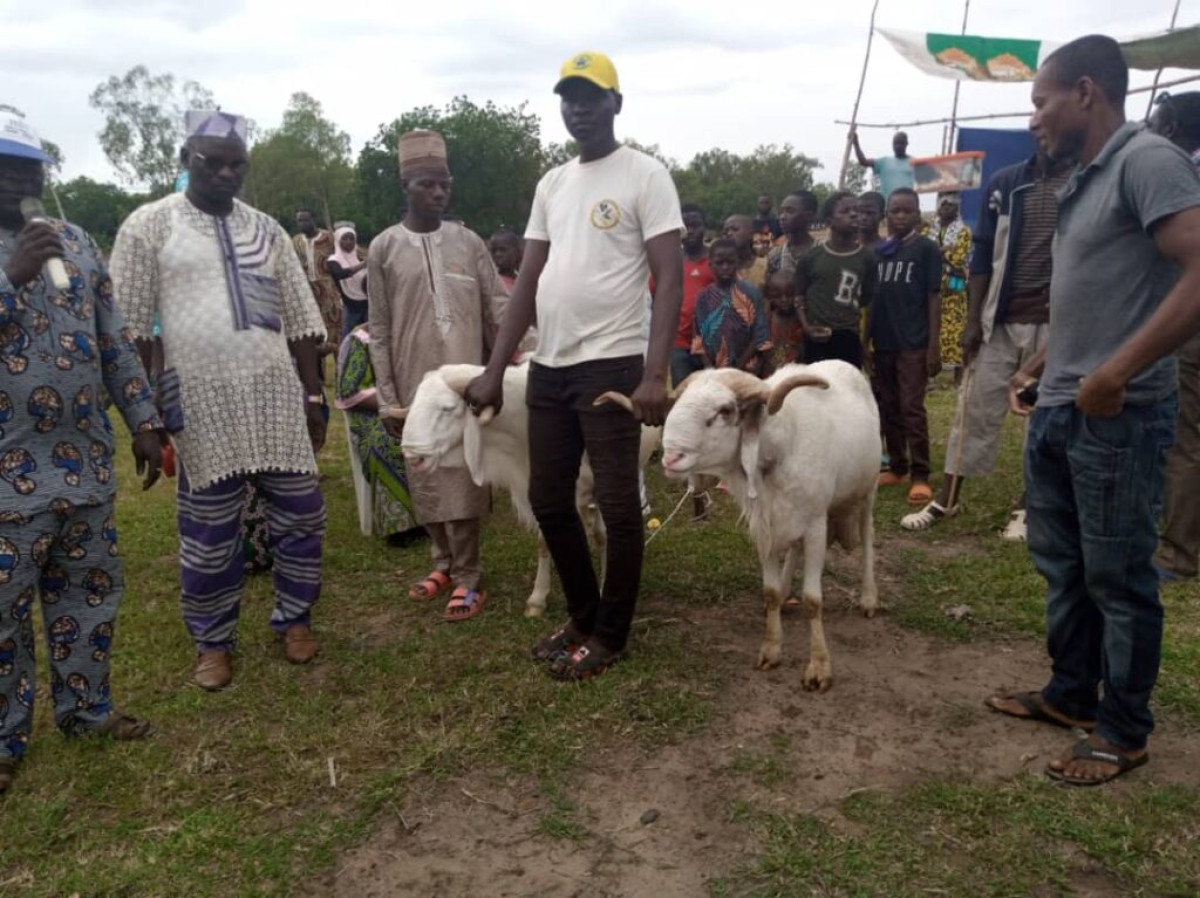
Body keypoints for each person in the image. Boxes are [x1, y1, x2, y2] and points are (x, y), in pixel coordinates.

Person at [987, 35, 1200, 786]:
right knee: (1065, 566)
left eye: (1041, 102)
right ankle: (1072, 694)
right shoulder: (1084, 177)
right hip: (1062, 407)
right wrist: (1043, 367)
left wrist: (1116, 373)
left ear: (1085, 91)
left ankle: (1123, 730)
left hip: (1117, 414)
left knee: (1117, 576)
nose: (1036, 118)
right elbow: (1098, 297)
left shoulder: (1146, 162)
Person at [463, 50, 683, 680]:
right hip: (550, 366)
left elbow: (667, 278)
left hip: (612, 364)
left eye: (591, 97)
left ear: (617, 102)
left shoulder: (645, 175)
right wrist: (495, 369)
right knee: (549, 498)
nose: (579, 109)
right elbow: (527, 280)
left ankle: (612, 634)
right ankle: (584, 616)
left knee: (616, 505)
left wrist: (654, 372)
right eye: (568, 97)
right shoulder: (552, 184)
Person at [111, 110, 328, 691]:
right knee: (210, 533)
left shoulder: (268, 229)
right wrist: (143, 416)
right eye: (215, 163)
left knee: (303, 516)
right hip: (198, 398)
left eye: (238, 165)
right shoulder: (149, 226)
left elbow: (303, 320)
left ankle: (295, 618)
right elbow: (128, 329)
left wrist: (313, 394)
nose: (228, 174)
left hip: (275, 393)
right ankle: (213, 641)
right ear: (186, 159)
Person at [0, 113, 164, 795]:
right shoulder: (23, 253)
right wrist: (13, 274)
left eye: (32, 169)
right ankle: (5, 741)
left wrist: (144, 419)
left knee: (89, 595)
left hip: (85, 467)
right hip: (8, 478)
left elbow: (113, 340)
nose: (23, 182)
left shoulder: (76, 242)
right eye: (9, 169)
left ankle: (87, 709)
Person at [367, 129, 510, 623]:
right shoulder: (383, 248)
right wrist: (388, 398)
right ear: (405, 185)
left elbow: (499, 309)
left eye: (443, 183)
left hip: (464, 384)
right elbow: (379, 328)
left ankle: (470, 575)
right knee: (424, 472)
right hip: (411, 383)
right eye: (427, 184)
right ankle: (442, 562)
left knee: (464, 473)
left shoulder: (468, 243)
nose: (439, 192)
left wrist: (523, 362)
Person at [902, 153, 1069, 536]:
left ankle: (1030, 504)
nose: (1040, 126)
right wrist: (974, 320)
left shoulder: (1082, 182)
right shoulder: (1006, 183)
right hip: (1000, 320)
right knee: (972, 405)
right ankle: (948, 498)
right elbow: (982, 257)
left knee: (1040, 414)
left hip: (1054, 323)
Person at [1148, 91, 1200, 580]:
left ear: (1175, 131)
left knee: (1183, 439)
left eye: (1159, 124)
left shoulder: (1181, 179)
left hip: (1190, 326)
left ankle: (1179, 554)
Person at [868, 188, 943, 507]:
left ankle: (921, 475)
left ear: (917, 215)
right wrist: (865, 341)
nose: (899, 216)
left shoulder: (927, 250)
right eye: (894, 211)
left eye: (906, 211)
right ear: (886, 215)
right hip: (883, 342)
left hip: (913, 342)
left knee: (912, 407)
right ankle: (897, 466)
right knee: (888, 406)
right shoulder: (878, 252)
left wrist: (933, 346)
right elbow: (869, 301)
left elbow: (934, 298)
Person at [334, 322, 422, 545]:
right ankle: (401, 526)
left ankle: (441, 517)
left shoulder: (417, 330)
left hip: (420, 408)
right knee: (384, 440)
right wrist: (394, 408)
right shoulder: (361, 339)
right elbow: (350, 391)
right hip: (373, 414)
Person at [795, 191, 875, 368]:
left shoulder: (867, 258)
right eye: (845, 211)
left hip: (849, 335)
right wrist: (806, 326)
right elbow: (799, 295)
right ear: (829, 221)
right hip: (817, 335)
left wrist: (863, 339)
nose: (853, 214)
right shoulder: (812, 257)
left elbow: (867, 299)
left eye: (856, 210)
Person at [692, 238, 773, 373]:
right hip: (715, 369)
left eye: (730, 263)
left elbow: (761, 333)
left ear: (738, 263)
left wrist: (740, 364)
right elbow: (698, 335)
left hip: (748, 367)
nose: (725, 267)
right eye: (720, 263)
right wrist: (709, 367)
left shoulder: (752, 293)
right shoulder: (703, 297)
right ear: (710, 265)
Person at [765, 191, 818, 369]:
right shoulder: (775, 255)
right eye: (781, 212)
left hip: (815, 328)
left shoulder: (822, 252)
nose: (782, 217)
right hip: (784, 332)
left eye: (790, 211)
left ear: (809, 216)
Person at [925, 193, 972, 371]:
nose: (946, 208)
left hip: (955, 282)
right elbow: (925, 251)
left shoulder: (964, 231)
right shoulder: (929, 229)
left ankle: (956, 369)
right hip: (932, 285)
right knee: (933, 323)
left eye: (950, 205)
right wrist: (944, 249)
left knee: (955, 323)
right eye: (942, 205)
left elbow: (958, 258)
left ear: (957, 208)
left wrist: (938, 252)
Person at [670, 203, 714, 387]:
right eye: (685, 226)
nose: (690, 231)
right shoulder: (670, 262)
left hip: (713, 342)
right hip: (679, 343)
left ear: (705, 226)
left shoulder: (718, 260)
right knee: (682, 394)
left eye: (696, 225)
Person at [293, 208, 340, 357]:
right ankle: (319, 374)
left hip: (329, 289)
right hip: (307, 291)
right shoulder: (296, 241)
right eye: (299, 221)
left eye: (305, 220)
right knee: (313, 331)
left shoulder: (329, 237)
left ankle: (340, 368)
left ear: (313, 219)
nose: (302, 224)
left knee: (334, 327)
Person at [325, 224, 368, 339]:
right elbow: (341, 274)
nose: (348, 242)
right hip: (350, 306)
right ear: (338, 240)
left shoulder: (359, 257)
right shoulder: (333, 260)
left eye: (351, 239)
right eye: (345, 238)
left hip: (367, 304)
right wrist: (362, 265)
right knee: (351, 338)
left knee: (368, 337)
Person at [850, 128, 915, 200]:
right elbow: (863, 161)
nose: (898, 146)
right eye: (895, 143)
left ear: (906, 144)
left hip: (909, 206)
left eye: (901, 143)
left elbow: (926, 181)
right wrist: (855, 143)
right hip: (888, 207)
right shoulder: (884, 162)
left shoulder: (914, 162)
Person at [722, 214, 768, 292]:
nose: (729, 233)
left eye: (735, 229)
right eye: (725, 231)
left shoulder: (766, 266)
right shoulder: (720, 268)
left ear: (751, 234)